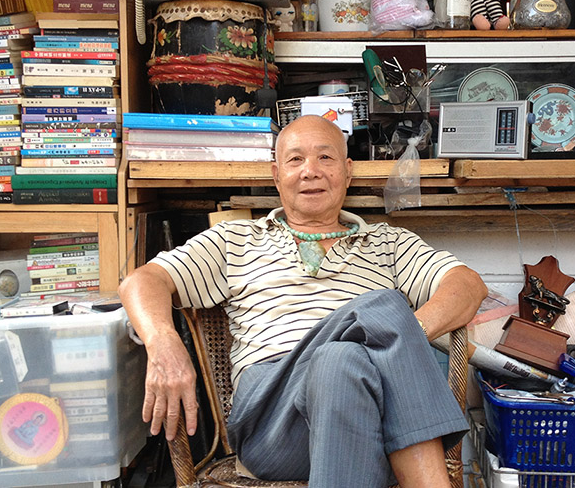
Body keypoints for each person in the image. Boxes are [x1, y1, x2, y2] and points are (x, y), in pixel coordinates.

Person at [118, 115, 487, 487]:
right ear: (277, 175)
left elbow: (467, 286)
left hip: (367, 419)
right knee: (384, 307)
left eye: (325, 158)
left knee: (340, 358)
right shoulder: (236, 240)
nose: (310, 171)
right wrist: (162, 339)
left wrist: (404, 339)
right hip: (273, 425)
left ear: (347, 171)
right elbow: (143, 281)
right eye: (296, 160)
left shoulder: (388, 244)